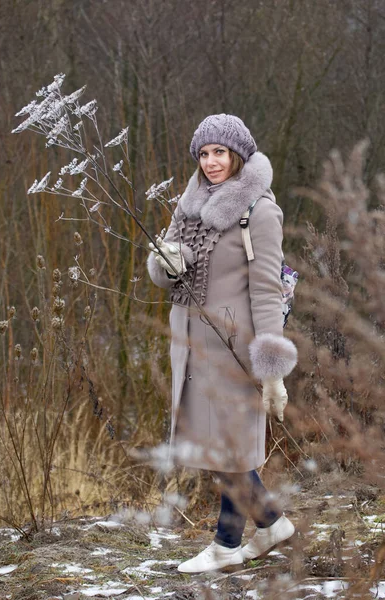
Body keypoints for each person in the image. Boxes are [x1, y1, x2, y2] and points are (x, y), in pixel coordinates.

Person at [147, 114, 298, 574]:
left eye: (220, 152)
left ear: (239, 155)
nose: (211, 162)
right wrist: (165, 262)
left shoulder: (261, 212)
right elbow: (162, 275)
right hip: (190, 345)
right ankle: (271, 525)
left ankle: (227, 545)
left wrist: (272, 372)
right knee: (213, 447)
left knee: (229, 449)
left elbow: (268, 293)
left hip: (233, 348)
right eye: (204, 153)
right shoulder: (187, 206)